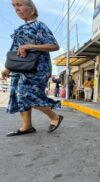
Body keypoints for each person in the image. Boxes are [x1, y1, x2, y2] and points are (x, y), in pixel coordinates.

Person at [1, 0, 63, 136]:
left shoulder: (39, 25)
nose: (16, 9)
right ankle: (27, 126)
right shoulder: (21, 29)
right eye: (14, 6)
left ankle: (55, 117)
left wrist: (29, 46)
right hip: (22, 68)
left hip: (38, 68)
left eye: (19, 4)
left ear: (32, 10)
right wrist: (8, 69)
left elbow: (54, 45)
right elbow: (15, 51)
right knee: (19, 95)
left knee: (27, 94)